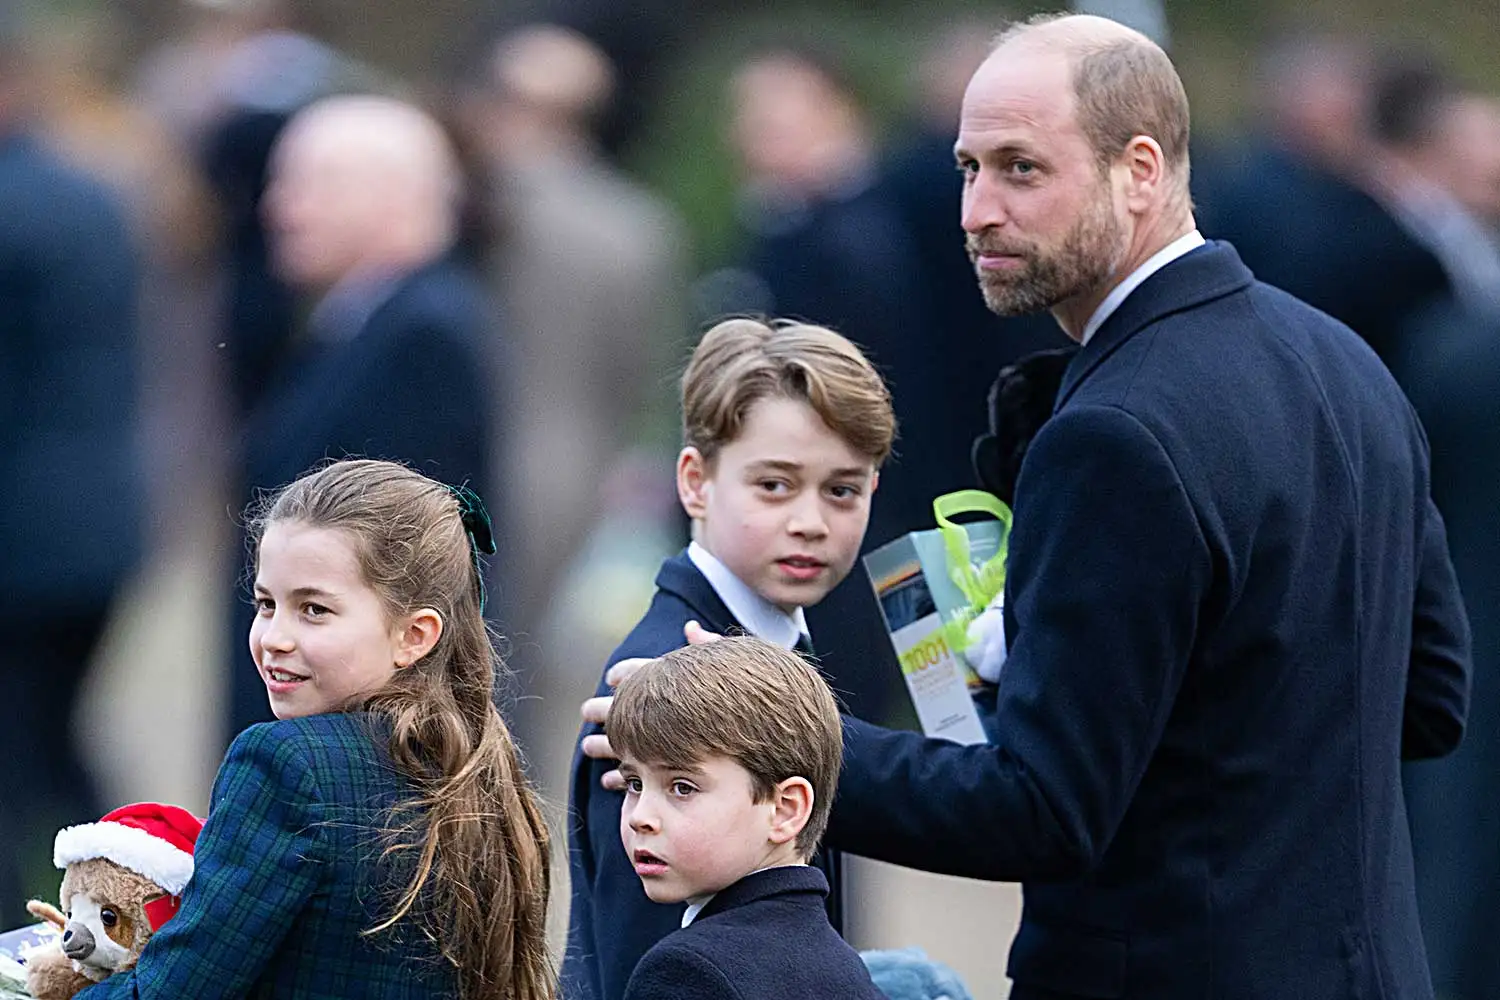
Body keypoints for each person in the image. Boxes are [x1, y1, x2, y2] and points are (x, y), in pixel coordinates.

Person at [585, 14, 1472, 999]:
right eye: (968, 168)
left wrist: (767, 729)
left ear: (1141, 170)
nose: (976, 211)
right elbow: (1423, 698)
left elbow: (1041, 809)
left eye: (1020, 169)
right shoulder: (1345, 362)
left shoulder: (1118, 432)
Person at [43, 459, 554, 999]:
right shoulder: (477, 763)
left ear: (414, 635)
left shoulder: (283, 763)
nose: (274, 638)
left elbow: (176, 990)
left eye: (313, 609)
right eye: (266, 604)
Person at [562, 317, 896, 1000]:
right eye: (774, 485)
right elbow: (648, 965)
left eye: (842, 489)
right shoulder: (660, 683)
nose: (811, 520)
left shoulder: (779, 652)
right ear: (695, 481)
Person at [227, 94, 496, 738]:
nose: (279, 209)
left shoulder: (424, 331)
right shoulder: (366, 314)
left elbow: (403, 558)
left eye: (307, 186)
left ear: (392, 196)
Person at [0, 0, 144, 927]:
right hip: (101, 518)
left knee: (23, 749)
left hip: (27, 534)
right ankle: (133, 885)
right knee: (51, 742)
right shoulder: (90, 191)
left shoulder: (16, 208)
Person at [608, 636, 885, 1000]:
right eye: (634, 784)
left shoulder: (688, 971)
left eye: (682, 787)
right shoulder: (845, 968)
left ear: (785, 809)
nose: (640, 817)